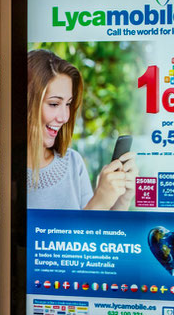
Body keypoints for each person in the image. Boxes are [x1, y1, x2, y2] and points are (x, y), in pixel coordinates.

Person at [27, 49, 137, 210]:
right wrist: (99, 201)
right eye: (54, 104)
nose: (64, 117)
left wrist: (120, 202)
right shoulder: (6, 171)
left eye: (68, 104)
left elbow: (95, 233)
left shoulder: (73, 163)